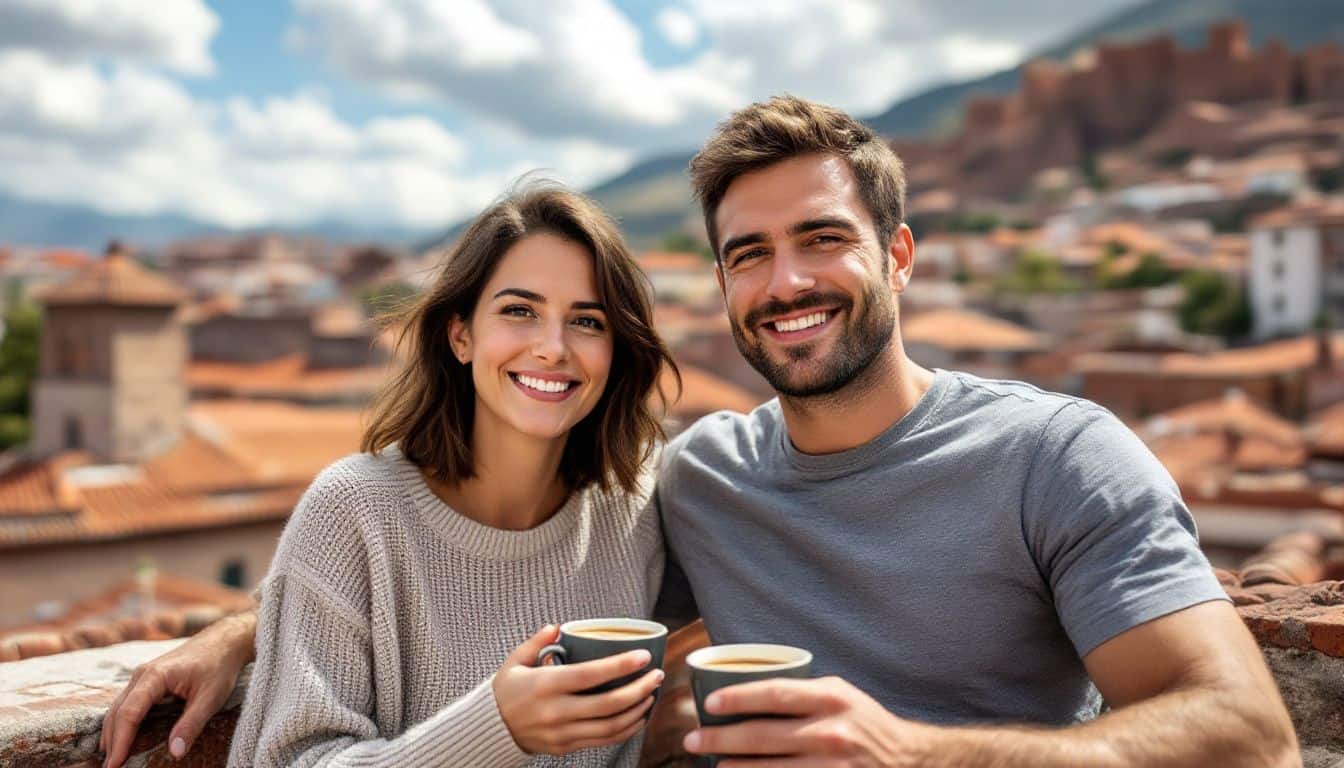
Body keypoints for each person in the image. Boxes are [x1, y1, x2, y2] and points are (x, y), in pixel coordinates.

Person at [102, 97, 1300, 768]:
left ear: (895, 254)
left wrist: (916, 756)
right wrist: (248, 628)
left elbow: (1251, 738)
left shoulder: (1059, 456)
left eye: (822, 240)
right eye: (748, 254)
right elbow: (442, 544)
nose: (787, 281)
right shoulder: (698, 480)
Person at [101, 182, 681, 768]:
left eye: (587, 321)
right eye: (519, 311)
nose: (553, 348)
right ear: (461, 335)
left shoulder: (635, 511)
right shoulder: (354, 511)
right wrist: (495, 729)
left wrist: (245, 629)